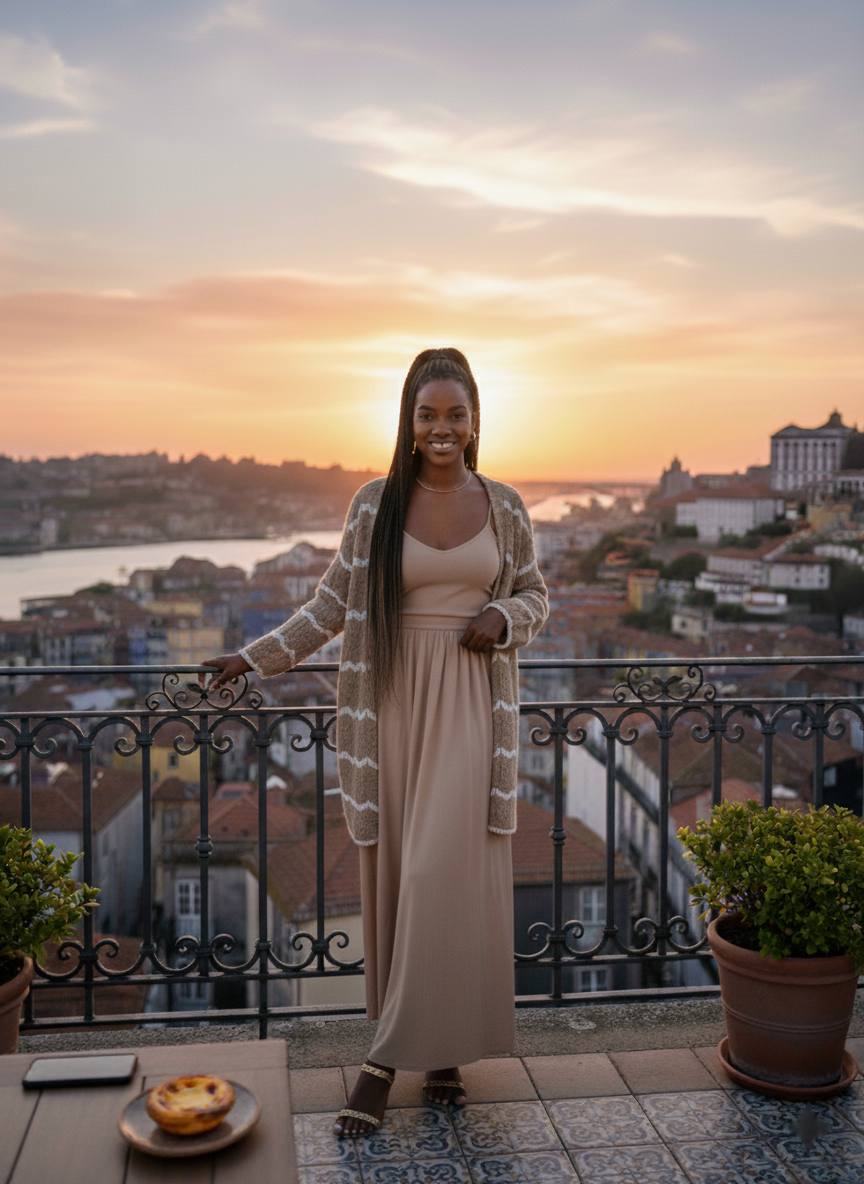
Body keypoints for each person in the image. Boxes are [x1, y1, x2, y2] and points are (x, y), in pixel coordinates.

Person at [202, 348, 548, 1137]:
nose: (441, 429)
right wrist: (251, 659)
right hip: (389, 705)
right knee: (404, 877)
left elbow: (534, 593)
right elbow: (329, 607)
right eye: (427, 414)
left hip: (468, 704)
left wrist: (505, 619)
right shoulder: (373, 504)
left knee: (437, 872)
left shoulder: (506, 505)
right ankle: (443, 1054)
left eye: (455, 414)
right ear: (408, 419)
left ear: (475, 419)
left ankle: (383, 1062)